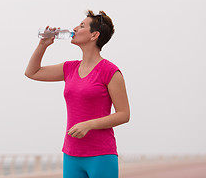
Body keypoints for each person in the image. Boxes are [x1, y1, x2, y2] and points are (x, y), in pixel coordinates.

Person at [24, 10, 130, 178]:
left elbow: (124, 114)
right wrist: (42, 45)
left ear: (94, 35)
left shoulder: (110, 71)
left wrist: (89, 124)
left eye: (81, 26)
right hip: (71, 153)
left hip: (101, 154)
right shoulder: (70, 68)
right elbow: (32, 72)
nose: (74, 28)